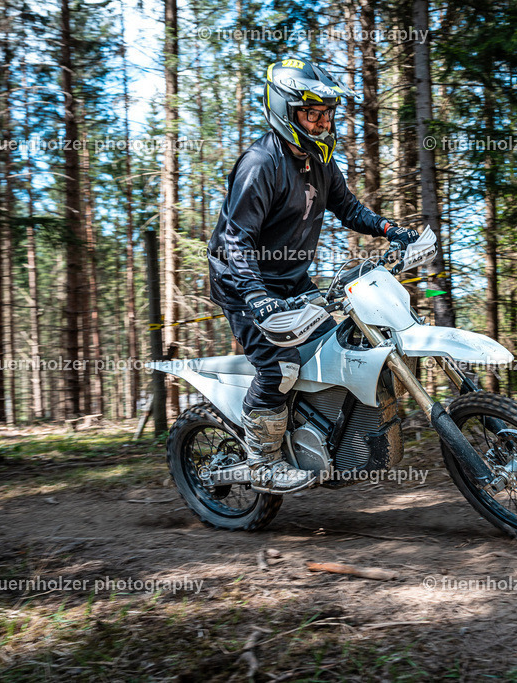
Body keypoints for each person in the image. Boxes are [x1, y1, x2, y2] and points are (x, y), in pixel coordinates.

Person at [207, 57, 419, 490]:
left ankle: (321, 441)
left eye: (327, 114)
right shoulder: (260, 163)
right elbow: (236, 240)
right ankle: (261, 461)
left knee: (336, 348)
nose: (323, 123)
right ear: (284, 110)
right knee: (279, 367)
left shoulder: (319, 162)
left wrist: (389, 229)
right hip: (244, 285)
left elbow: (349, 208)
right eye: (312, 113)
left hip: (292, 281)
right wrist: (257, 296)